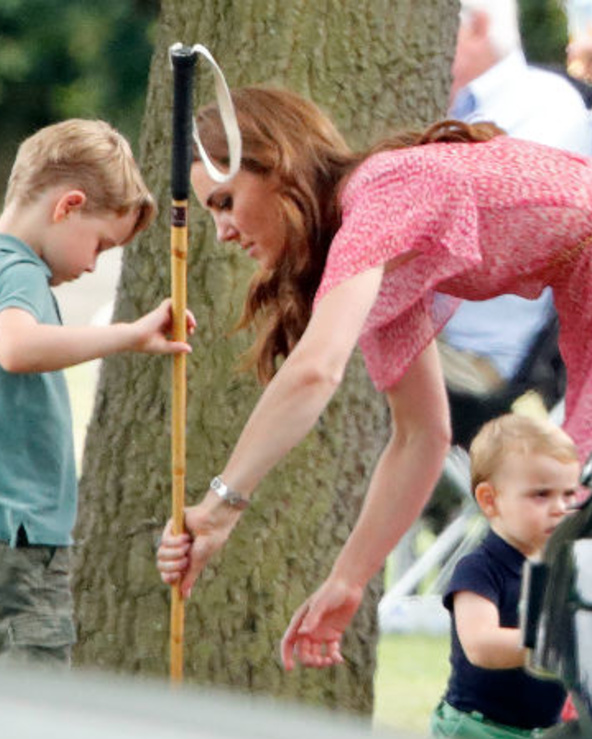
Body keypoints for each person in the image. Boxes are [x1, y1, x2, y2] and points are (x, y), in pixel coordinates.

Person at [155, 85, 592, 670]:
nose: (223, 233)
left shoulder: (383, 192)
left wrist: (220, 506)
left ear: (279, 167)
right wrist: (349, 580)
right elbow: (421, 438)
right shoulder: (378, 256)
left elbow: (315, 371)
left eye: (225, 202)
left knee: (575, 550)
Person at [0, 118, 194, 666]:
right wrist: (129, 334)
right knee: (30, 721)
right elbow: (16, 348)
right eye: (99, 244)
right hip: (13, 546)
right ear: (67, 205)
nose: (92, 263)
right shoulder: (21, 274)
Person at [440, 0, 591, 404]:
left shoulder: (549, 107)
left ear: (476, 28)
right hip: (433, 334)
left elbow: (483, 238)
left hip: (469, 357)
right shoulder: (462, 102)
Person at [430, 414, 578, 739]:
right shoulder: (480, 568)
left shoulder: (563, 566)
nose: (559, 508)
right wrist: (555, 642)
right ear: (490, 500)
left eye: (568, 494)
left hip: (542, 734)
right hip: (477, 734)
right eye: (541, 495)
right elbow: (481, 646)